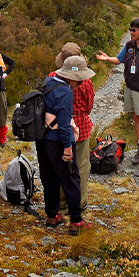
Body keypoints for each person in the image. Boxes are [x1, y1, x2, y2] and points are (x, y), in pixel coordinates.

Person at [37, 55, 94, 235]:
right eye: (79, 78)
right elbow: (64, 124)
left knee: (49, 177)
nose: (81, 82)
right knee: (71, 178)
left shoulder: (48, 82)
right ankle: (76, 220)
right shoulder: (65, 92)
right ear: (71, 77)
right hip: (58, 141)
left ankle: (52, 215)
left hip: (42, 138)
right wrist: (68, 148)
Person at [96, 18, 139, 164]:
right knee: (136, 117)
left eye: (134, 30)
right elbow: (119, 59)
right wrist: (108, 59)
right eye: (130, 29)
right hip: (130, 88)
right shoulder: (129, 45)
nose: (131, 32)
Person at [49, 43, 95, 210]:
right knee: (81, 166)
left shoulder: (53, 77)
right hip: (81, 128)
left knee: (60, 165)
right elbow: (89, 107)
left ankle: (61, 201)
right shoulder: (86, 83)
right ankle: (79, 201)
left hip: (59, 127)